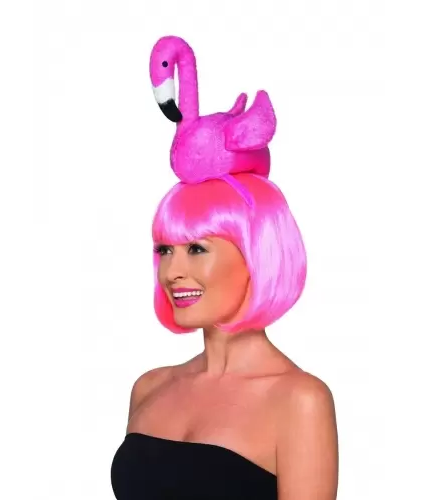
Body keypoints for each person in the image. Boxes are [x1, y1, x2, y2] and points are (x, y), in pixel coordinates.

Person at [111, 36, 338, 500]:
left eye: (196, 249)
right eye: (164, 250)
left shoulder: (299, 401)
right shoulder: (149, 388)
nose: (172, 271)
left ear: (256, 253)